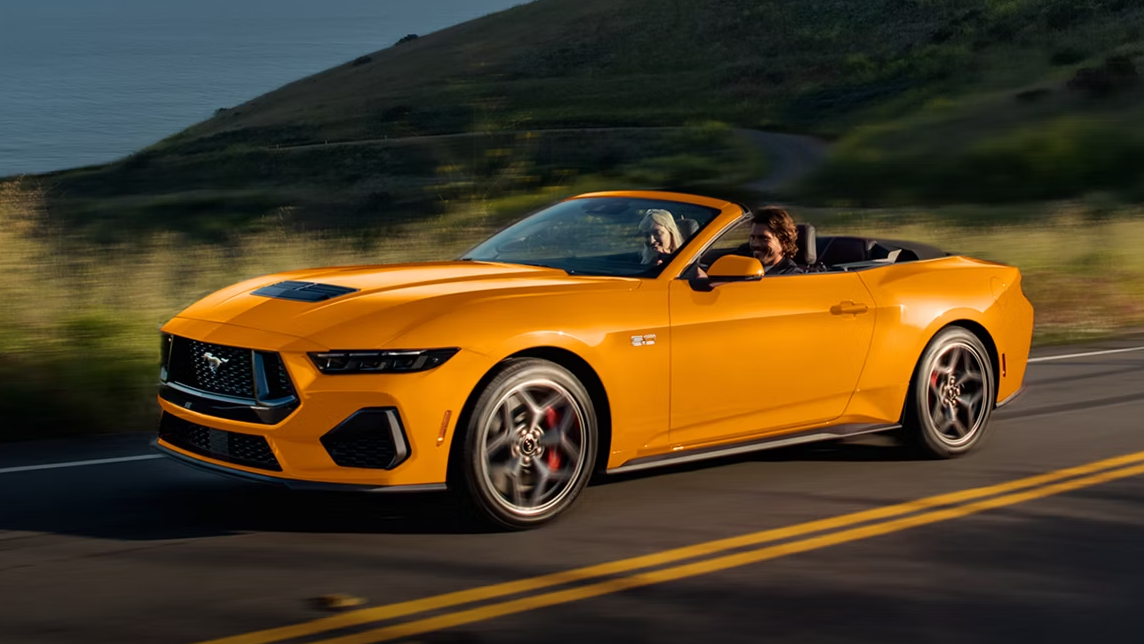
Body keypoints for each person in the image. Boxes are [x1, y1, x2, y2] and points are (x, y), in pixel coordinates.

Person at [750, 206, 803, 276]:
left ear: (784, 241)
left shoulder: (791, 275)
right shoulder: (746, 263)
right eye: (752, 237)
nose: (756, 244)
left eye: (764, 238)